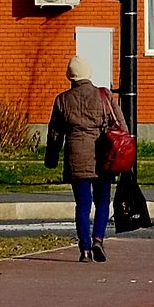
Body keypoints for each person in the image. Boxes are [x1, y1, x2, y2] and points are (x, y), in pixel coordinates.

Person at [44, 56, 123, 262]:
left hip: (76, 156)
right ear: (89, 74)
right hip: (103, 156)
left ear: (70, 77)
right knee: (103, 201)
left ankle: (85, 249)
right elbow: (121, 125)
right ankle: (98, 238)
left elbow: (54, 134)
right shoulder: (104, 95)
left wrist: (51, 158)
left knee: (83, 204)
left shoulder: (62, 99)